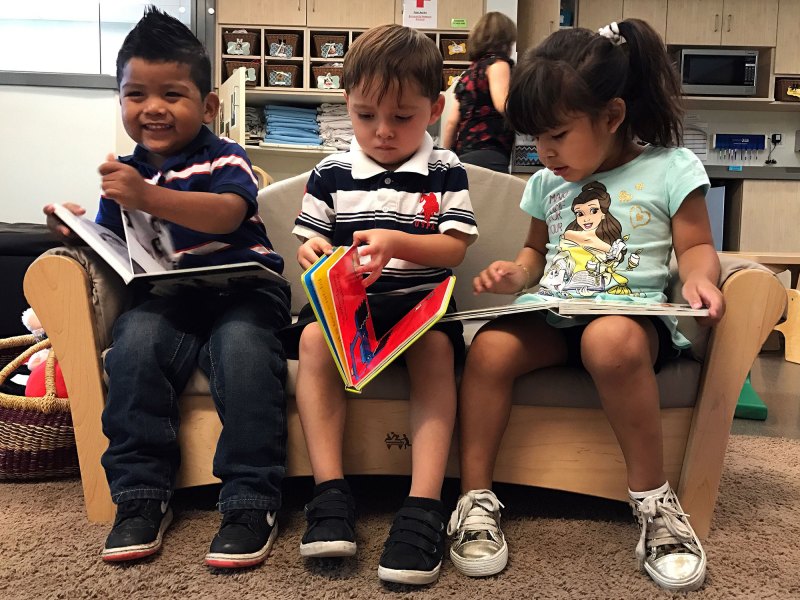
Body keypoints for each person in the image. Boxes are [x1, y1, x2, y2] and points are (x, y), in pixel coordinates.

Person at [447, 20, 725, 593]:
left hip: (628, 319)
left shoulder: (670, 168)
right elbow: (534, 251)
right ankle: (475, 498)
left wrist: (701, 281)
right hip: (551, 313)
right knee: (490, 348)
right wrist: (514, 273)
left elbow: (696, 246)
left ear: (613, 115)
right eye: (534, 138)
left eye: (558, 134)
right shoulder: (547, 183)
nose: (544, 152)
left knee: (609, 342)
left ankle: (654, 502)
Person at [43, 7, 291, 569]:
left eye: (172, 94)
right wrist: (72, 229)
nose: (152, 108)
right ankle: (139, 496)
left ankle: (252, 499)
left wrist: (147, 197)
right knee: (132, 347)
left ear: (207, 106)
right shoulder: (123, 175)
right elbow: (114, 248)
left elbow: (229, 214)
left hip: (244, 290)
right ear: (121, 100)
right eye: (136, 95)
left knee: (243, 350)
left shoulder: (224, 155)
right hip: (170, 298)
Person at [289, 24, 478, 586]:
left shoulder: (446, 170)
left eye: (402, 116)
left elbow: (454, 247)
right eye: (366, 115)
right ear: (347, 105)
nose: (383, 131)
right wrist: (313, 249)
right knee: (310, 340)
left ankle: (423, 503)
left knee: (437, 356)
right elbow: (310, 240)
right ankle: (329, 492)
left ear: (435, 108)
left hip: (419, 306)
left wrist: (395, 242)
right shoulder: (330, 172)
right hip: (348, 311)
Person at [441, 11, 517, 173]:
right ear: (505, 40)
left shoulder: (467, 75)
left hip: (464, 155)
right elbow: (503, 104)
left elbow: (451, 123)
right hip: (491, 152)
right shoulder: (498, 65)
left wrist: (444, 162)